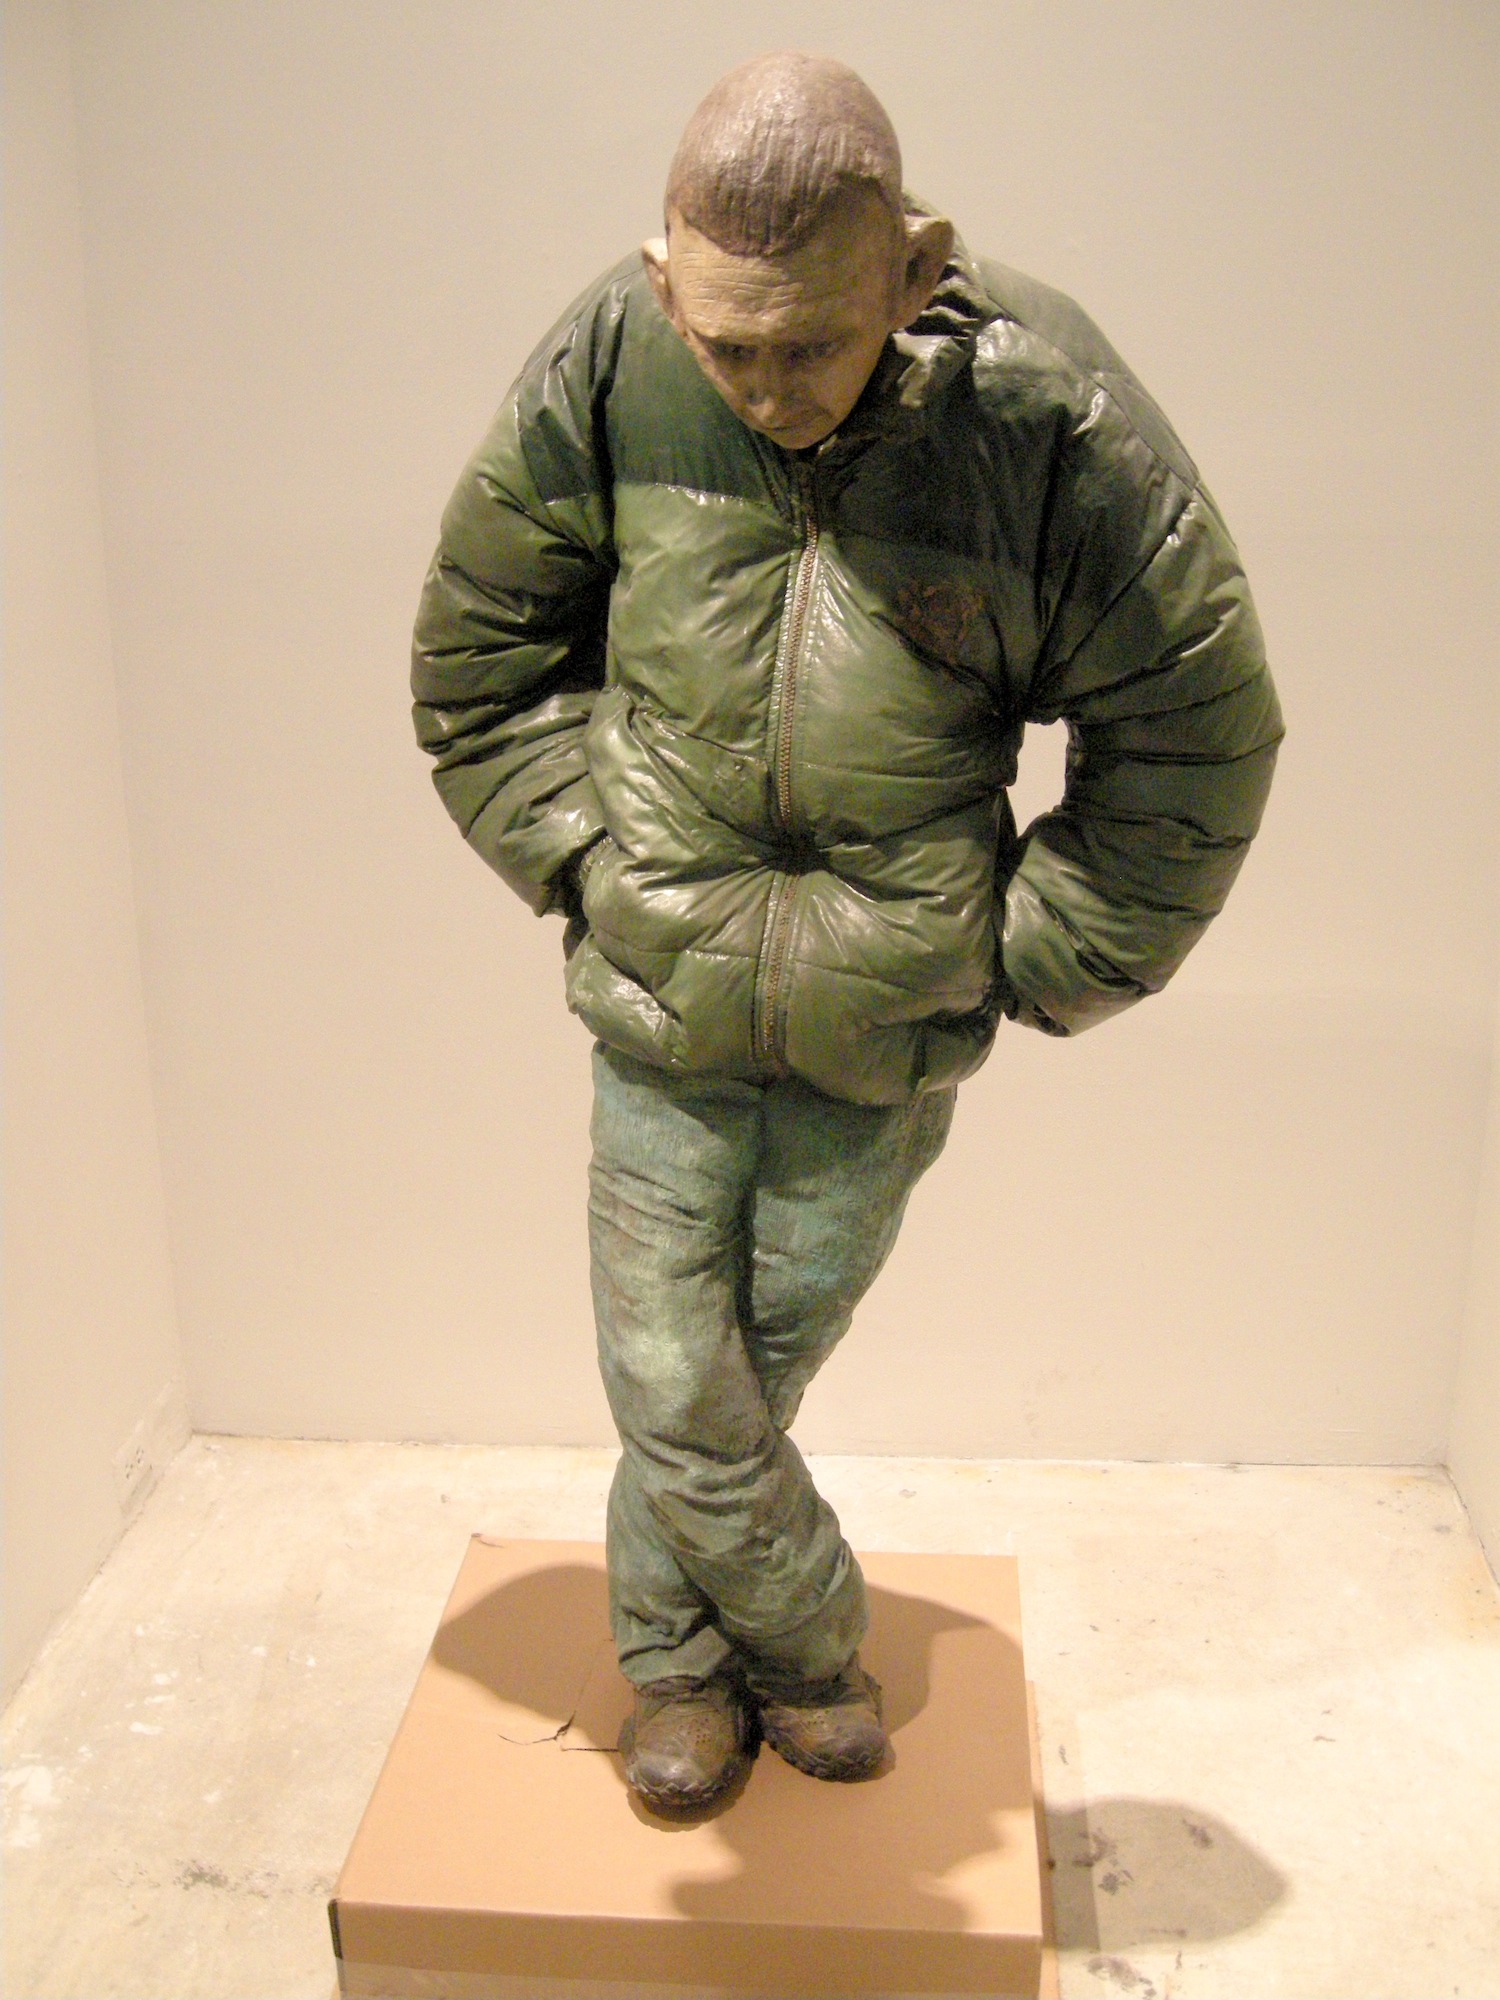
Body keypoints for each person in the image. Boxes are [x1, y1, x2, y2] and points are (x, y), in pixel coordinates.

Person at [412, 52, 1281, 1815]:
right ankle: (792, 1652)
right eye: (726, 347)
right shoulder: (616, 358)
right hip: (662, 999)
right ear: (665, 280)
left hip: (880, 1030)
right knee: (676, 1373)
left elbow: (1197, 720)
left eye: (810, 343)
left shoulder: (1039, 411)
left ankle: (687, 1667)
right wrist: (593, 865)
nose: (766, 388)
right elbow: (480, 650)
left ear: (911, 264)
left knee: (755, 1366)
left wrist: (1021, 953)